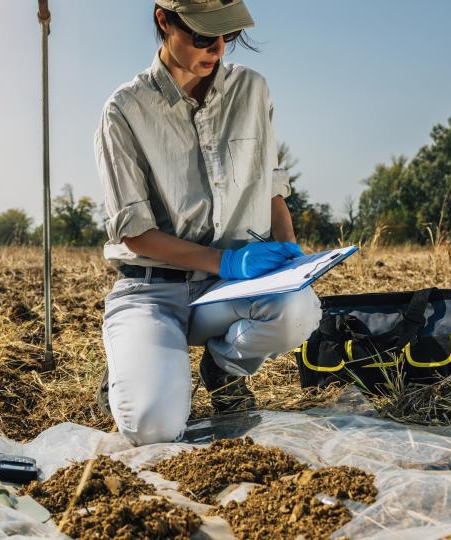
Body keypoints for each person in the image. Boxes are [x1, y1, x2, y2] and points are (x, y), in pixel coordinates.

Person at [94, 0, 322, 446]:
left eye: (227, 35)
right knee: (154, 428)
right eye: (202, 35)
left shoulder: (253, 90)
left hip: (223, 293)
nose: (217, 48)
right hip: (152, 290)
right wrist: (228, 262)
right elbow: (135, 232)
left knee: (299, 310)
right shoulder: (123, 109)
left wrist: (290, 255)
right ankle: (135, 360)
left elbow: (270, 185)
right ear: (164, 21)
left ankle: (224, 368)